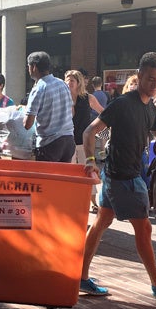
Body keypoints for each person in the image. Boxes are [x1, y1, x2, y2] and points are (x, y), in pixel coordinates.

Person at [79, 52, 156, 298]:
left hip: (120, 175)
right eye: (150, 79)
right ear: (139, 76)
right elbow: (90, 132)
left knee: (100, 224)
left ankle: (81, 276)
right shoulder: (122, 104)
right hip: (122, 178)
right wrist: (90, 161)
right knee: (144, 229)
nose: (155, 84)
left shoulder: (148, 105)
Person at [23, 52, 75, 162]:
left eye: (28, 66)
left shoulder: (38, 89)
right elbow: (72, 111)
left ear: (34, 67)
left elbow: (27, 124)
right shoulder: (62, 83)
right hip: (69, 141)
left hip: (49, 144)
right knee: (62, 178)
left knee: (45, 179)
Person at [65, 70, 104, 211]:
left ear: (78, 82)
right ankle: (70, 200)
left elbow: (103, 112)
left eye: (72, 80)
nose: (68, 83)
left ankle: (93, 201)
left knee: (87, 170)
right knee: (69, 171)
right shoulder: (62, 98)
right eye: (67, 80)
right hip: (67, 141)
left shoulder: (88, 98)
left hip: (84, 141)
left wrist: (98, 127)